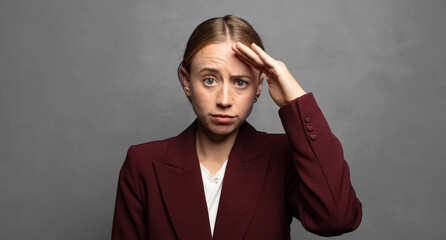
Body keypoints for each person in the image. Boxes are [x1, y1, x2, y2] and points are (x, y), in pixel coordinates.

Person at [111, 15, 362, 240]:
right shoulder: (143, 164)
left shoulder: (282, 157)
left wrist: (295, 99)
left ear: (260, 86)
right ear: (187, 81)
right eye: (209, 80)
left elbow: (337, 218)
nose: (224, 100)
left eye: (240, 82)